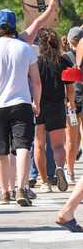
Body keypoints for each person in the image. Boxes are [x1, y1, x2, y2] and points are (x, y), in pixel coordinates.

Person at [0, 9, 41, 207]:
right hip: (22, 103)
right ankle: (21, 188)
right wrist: (37, 102)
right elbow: (36, 82)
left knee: (1, 151)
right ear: (14, 26)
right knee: (23, 147)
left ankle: (5, 191)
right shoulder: (26, 48)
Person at [33, 28, 74, 193]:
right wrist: (71, 103)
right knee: (58, 145)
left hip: (39, 105)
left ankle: (44, 182)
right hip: (57, 105)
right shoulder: (63, 61)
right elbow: (70, 88)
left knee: (39, 145)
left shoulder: (35, 62)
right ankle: (59, 168)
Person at [65, 26, 83, 183]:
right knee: (73, 141)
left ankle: (70, 172)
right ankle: (69, 171)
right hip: (74, 102)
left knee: (71, 141)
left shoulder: (66, 57)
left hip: (72, 103)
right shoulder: (67, 57)